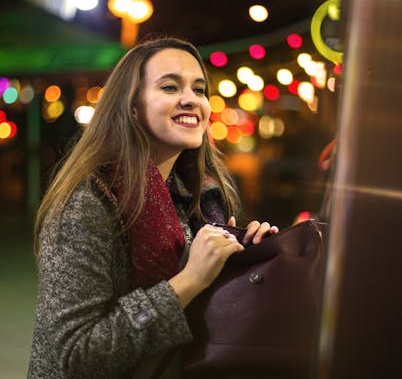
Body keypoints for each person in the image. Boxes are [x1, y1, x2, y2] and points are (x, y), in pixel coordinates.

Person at [27, 36, 279, 379]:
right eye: (170, 87)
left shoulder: (201, 198)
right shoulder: (88, 203)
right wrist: (189, 280)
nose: (191, 100)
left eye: (200, 89)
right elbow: (75, 355)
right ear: (132, 106)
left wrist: (243, 257)